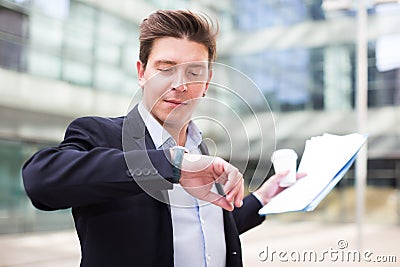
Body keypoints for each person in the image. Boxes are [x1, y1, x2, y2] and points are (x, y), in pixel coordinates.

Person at [22, 10, 303, 267]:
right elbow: (40, 180)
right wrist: (171, 164)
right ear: (142, 73)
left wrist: (264, 199)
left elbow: (203, 229)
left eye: (194, 72)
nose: (179, 85)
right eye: (165, 68)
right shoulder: (100, 135)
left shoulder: (203, 148)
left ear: (207, 82)